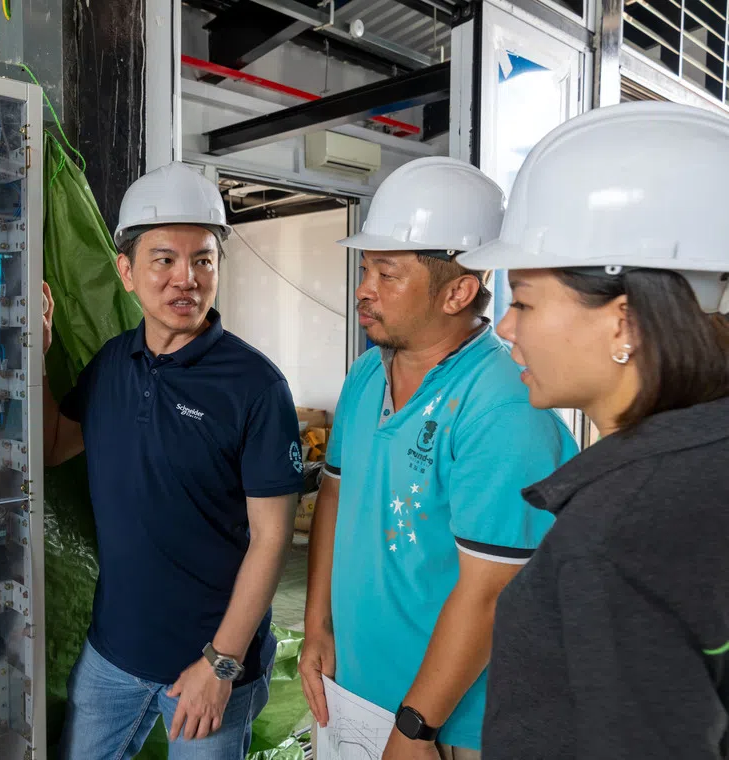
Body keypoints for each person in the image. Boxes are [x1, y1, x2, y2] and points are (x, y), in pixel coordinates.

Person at [454, 101, 729, 759]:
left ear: (623, 322)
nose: (506, 327)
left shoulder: (616, 532)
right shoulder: (704, 464)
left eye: (524, 300)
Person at [298, 157, 579, 760]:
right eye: (366, 268)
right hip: (358, 695)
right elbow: (335, 494)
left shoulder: (503, 407)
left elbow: (491, 593)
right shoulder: (365, 373)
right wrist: (317, 623)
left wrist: (416, 727)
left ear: (457, 291)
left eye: (387, 273)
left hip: (447, 725)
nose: (363, 288)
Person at [44, 161, 304, 759]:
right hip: (112, 655)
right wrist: (38, 349)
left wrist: (221, 663)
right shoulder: (112, 364)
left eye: (203, 261)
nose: (186, 279)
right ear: (126, 272)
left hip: (209, 664)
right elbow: (56, 445)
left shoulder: (255, 387)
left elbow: (272, 539)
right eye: (164, 259)